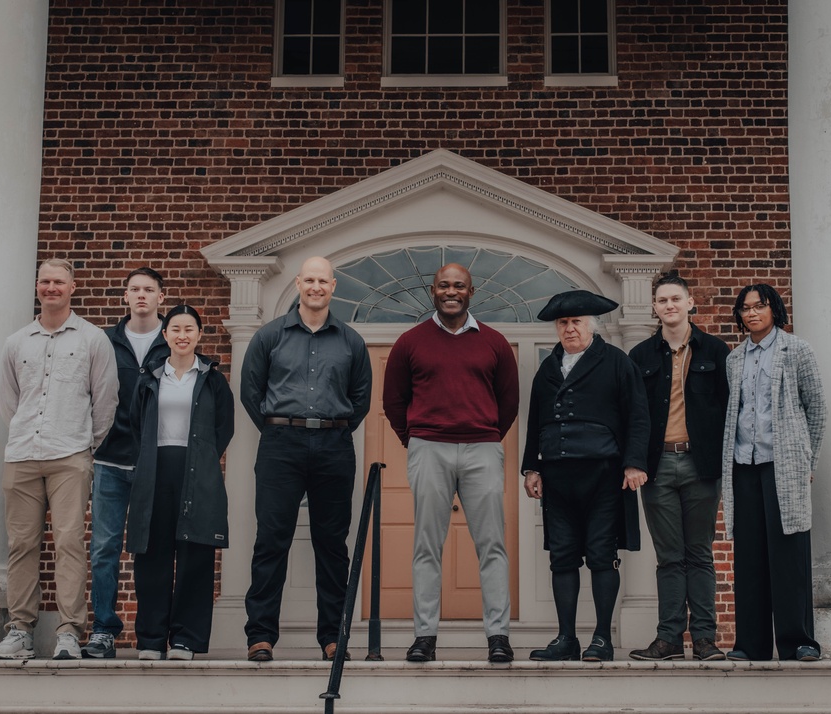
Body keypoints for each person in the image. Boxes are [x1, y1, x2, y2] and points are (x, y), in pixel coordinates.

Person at [383, 263, 520, 664]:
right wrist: (416, 441)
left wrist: (487, 434)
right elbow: (394, 400)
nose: (451, 291)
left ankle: (498, 636)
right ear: (433, 290)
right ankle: (424, 636)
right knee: (427, 545)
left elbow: (508, 402)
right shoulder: (410, 342)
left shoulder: (494, 342)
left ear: (471, 291)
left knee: (492, 545)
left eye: (459, 285)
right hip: (429, 448)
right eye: (444, 285)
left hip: (482, 449)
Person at [241, 256, 372, 662]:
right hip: (281, 444)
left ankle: (333, 637)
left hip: (334, 447)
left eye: (323, 281)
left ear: (333, 286)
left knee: (332, 544)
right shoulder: (269, 336)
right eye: (309, 279)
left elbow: (361, 400)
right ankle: (261, 635)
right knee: (271, 540)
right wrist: (280, 430)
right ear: (299, 283)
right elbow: (250, 392)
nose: (316, 287)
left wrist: (330, 432)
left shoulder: (351, 341)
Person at [0, 258, 118, 660]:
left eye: (58, 282)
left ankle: (68, 632)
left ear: (72, 287)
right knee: (22, 544)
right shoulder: (17, 342)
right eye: (44, 281)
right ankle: (21, 630)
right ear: (38, 287)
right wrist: (26, 434)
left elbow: (105, 400)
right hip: (23, 454)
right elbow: (9, 401)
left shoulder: (92, 339)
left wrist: (84, 445)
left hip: (71, 455)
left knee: (68, 543)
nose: (50, 288)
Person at [522, 290, 649, 662]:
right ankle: (566, 639)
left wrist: (634, 462)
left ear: (591, 326)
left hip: (604, 475)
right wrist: (532, 467)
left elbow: (638, 416)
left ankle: (601, 640)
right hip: (558, 477)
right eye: (563, 323)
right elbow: (535, 420)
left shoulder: (616, 362)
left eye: (576, 322)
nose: (569, 328)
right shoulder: (547, 368)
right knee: (561, 557)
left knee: (600, 555)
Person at [627, 272, 730, 662]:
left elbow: (729, 411)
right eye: (662, 300)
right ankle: (668, 639)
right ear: (654, 308)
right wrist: (634, 462)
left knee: (700, 553)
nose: (669, 305)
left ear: (690, 303)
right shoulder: (640, 357)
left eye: (676, 299)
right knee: (669, 557)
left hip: (701, 466)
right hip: (657, 468)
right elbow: (633, 416)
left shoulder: (716, 352)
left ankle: (705, 639)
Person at [722, 284, 827, 662]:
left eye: (759, 306)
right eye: (745, 308)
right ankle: (750, 644)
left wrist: (806, 462)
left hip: (784, 466)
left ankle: (798, 641)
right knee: (749, 557)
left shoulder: (796, 349)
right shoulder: (734, 359)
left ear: (774, 310)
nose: (751, 313)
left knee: (788, 554)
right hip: (743, 465)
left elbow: (816, 409)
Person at [125, 304, 234, 660]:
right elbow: (136, 424)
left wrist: (201, 458)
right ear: (165, 334)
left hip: (197, 472)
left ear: (199, 335)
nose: (182, 335)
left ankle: (185, 639)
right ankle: (152, 640)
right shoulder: (151, 378)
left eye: (190, 329)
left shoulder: (213, 380)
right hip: (156, 470)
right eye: (176, 329)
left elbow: (224, 428)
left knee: (195, 555)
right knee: (152, 554)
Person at [83, 267, 170, 659]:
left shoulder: (174, 339)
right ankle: (103, 629)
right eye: (134, 289)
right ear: (125, 297)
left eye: (148, 290)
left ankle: (154, 635)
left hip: (156, 462)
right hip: (110, 460)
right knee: (104, 547)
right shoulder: (103, 341)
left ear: (160, 297)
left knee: (153, 549)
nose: (140, 296)